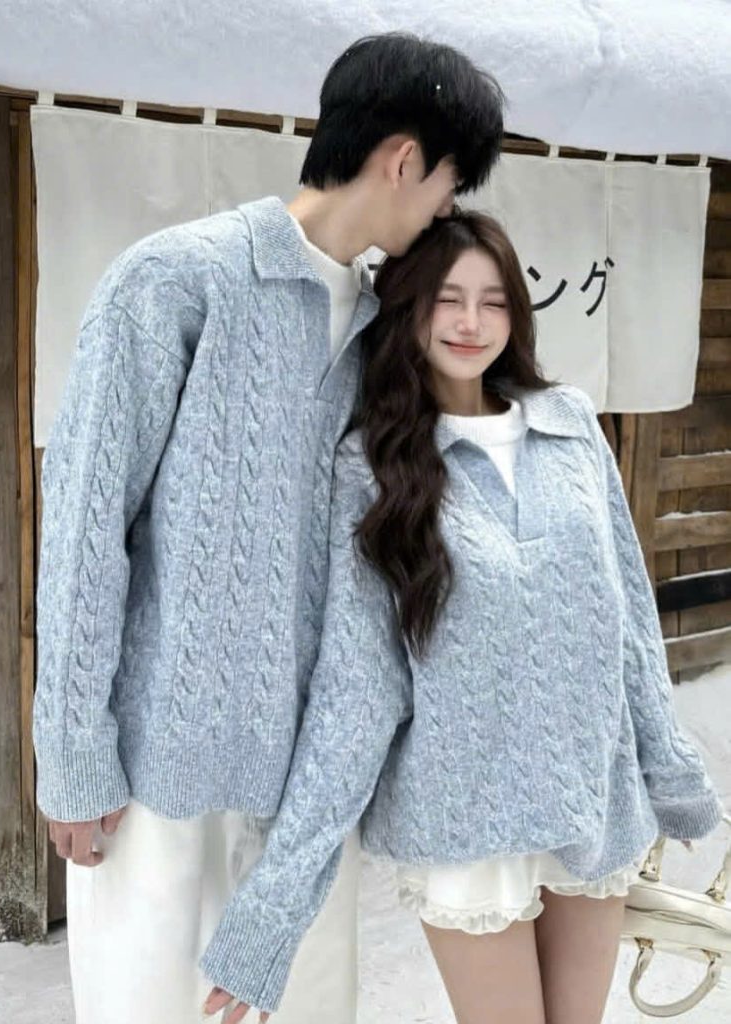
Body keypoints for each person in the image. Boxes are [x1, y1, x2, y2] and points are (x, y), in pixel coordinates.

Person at [32, 33, 505, 1024]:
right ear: (404, 160)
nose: (443, 212)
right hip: (155, 783)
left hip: (299, 798)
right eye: (447, 184)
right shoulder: (175, 281)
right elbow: (83, 524)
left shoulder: (384, 334)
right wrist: (72, 752)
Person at [200, 208, 725, 1024]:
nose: (470, 322)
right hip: (467, 821)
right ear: (407, 308)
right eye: (447, 299)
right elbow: (356, 694)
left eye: (493, 300)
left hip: (593, 802)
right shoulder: (373, 467)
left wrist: (672, 776)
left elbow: (627, 626)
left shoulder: (570, 425)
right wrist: (272, 909)